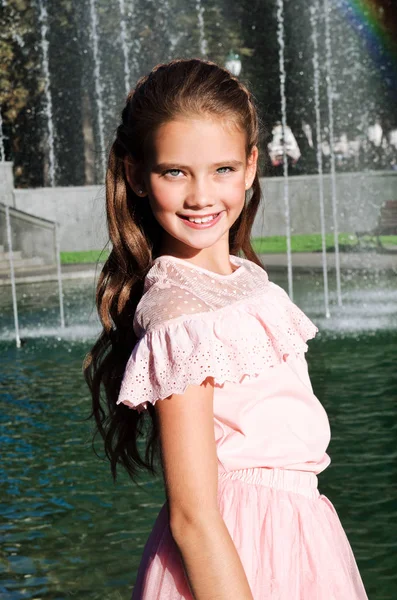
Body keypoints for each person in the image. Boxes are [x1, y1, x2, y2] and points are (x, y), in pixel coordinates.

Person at [84, 58, 369, 600]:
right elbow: (193, 517)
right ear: (135, 175)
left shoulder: (247, 282)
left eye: (222, 169)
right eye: (175, 171)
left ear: (251, 166)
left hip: (295, 538)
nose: (200, 195)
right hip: (237, 556)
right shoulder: (180, 314)